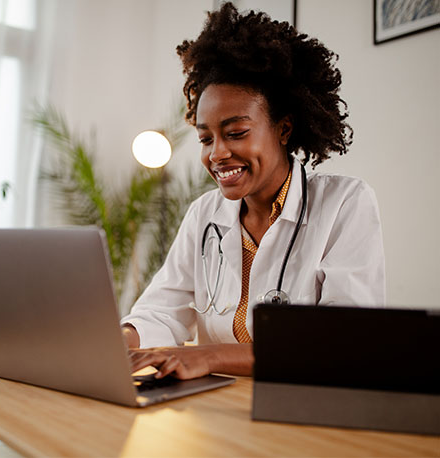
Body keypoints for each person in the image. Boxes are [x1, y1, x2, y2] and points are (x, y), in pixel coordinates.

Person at [121, 3, 385, 380]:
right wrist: (119, 340)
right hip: (218, 405)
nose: (217, 154)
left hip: (301, 407)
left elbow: (341, 342)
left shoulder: (345, 203)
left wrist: (210, 357)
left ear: (284, 128)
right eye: (205, 138)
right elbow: (161, 312)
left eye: (236, 133)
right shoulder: (204, 213)